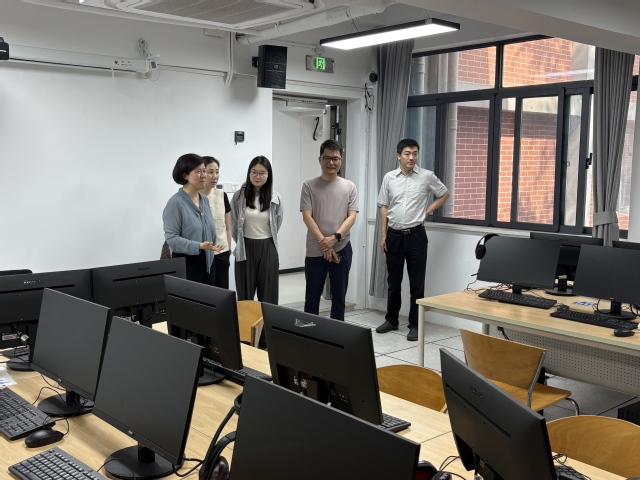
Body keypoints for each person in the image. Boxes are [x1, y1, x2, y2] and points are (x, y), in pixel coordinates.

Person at [375, 139, 450, 341]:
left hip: (416, 236)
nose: (411, 157)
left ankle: (415, 324)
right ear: (398, 156)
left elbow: (444, 194)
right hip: (393, 235)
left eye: (415, 153)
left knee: (417, 283)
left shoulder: (426, 176)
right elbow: (383, 206)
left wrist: (427, 211)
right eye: (407, 154)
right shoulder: (389, 177)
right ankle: (391, 320)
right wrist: (383, 235)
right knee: (393, 281)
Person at [300, 139, 358, 321]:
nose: (331, 162)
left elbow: (351, 217)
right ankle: (309, 334)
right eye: (327, 158)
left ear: (341, 160)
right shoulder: (309, 186)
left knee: (339, 298)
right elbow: (307, 216)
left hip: (342, 247)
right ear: (320, 160)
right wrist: (324, 244)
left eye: (335, 159)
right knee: (312, 297)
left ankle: (336, 334)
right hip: (315, 249)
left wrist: (334, 239)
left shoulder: (349, 186)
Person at [231, 156, 283, 306]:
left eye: (262, 173)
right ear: (249, 173)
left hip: (268, 247)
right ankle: (246, 322)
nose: (257, 176)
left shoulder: (275, 197)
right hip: (245, 248)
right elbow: (233, 223)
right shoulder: (238, 196)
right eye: (254, 172)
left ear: (268, 175)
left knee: (268, 296)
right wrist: (240, 242)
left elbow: (277, 223)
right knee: (245, 296)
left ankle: (266, 323)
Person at [163, 153, 222, 284]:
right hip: (187, 265)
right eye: (198, 172)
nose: (204, 175)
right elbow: (172, 239)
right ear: (185, 176)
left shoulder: (204, 199)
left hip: (208, 262)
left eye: (204, 171)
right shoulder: (175, 203)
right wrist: (199, 246)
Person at [202, 156, 232, 289]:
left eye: (217, 172)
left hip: (221, 252)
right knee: (204, 292)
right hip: (201, 254)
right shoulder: (193, 197)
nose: (215, 176)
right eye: (210, 172)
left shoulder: (222, 195)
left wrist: (228, 249)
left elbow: (228, 227)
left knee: (222, 291)